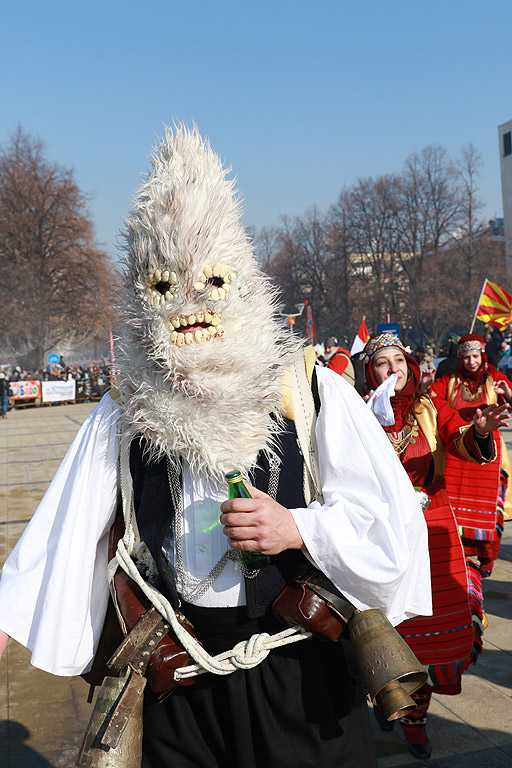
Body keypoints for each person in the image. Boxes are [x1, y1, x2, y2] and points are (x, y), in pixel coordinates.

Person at [0, 127, 432, 768]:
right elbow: (59, 531)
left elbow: (390, 524)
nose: (189, 306)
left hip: (297, 675)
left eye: (213, 280)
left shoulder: (310, 388)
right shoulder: (126, 409)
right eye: (162, 288)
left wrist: (296, 526)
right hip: (179, 682)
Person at [362, 332, 510, 760]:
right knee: (387, 629)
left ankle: (416, 717)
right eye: (382, 363)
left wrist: (479, 430)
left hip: (432, 527)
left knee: (437, 634)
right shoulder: (357, 414)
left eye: (399, 361)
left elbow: (459, 437)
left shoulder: (430, 407)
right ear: (370, 372)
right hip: (382, 536)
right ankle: (388, 697)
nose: (393, 370)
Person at [430, 333, 512, 576]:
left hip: (490, 453)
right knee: (456, 509)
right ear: (460, 358)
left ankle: (487, 561)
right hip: (458, 451)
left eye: (475, 356)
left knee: (489, 511)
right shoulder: (448, 380)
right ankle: (460, 555)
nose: (471, 362)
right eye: (466, 357)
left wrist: (507, 392)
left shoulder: (495, 377)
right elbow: (430, 399)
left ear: (483, 355)